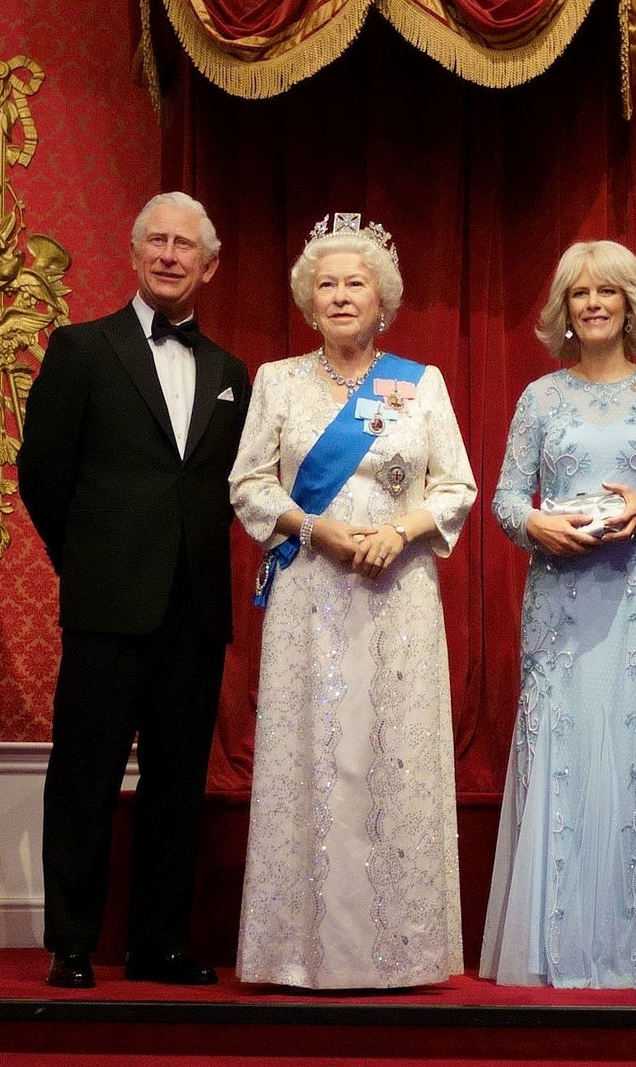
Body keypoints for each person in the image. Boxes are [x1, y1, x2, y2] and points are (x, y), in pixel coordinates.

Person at [229, 214, 475, 989]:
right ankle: (299, 953)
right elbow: (248, 483)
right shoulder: (277, 380)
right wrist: (312, 527)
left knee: (390, 756)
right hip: (311, 590)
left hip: (396, 593)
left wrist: (399, 531)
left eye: (354, 282)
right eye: (326, 284)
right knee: (313, 752)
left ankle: (401, 951)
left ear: (382, 300)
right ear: (309, 299)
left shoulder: (417, 382)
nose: (340, 295)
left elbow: (456, 485)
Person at [19, 192, 251, 990]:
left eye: (185, 244)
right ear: (132, 252)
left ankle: (160, 942)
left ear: (208, 264)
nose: (168, 253)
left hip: (195, 609)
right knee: (83, 775)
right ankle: (72, 942)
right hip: (106, 603)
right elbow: (41, 476)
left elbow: (230, 488)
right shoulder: (80, 349)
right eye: (155, 239)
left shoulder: (229, 372)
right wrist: (85, 561)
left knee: (177, 784)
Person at [479, 240, 636, 988]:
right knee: (566, 754)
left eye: (606, 291)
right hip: (559, 598)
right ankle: (555, 950)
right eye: (578, 293)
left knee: (634, 751)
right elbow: (506, 500)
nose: (592, 303)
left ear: (629, 302)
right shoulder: (539, 398)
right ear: (564, 310)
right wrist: (536, 525)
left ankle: (634, 948)